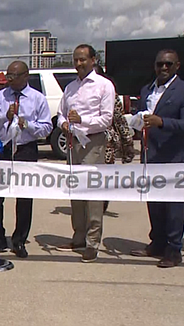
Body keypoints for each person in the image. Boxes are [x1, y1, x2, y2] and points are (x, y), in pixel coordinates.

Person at [130, 49, 184, 268]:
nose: (164, 68)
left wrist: (162, 122)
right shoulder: (147, 89)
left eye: (168, 64)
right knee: (155, 203)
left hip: (175, 157)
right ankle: (157, 243)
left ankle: (174, 249)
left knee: (175, 206)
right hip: (152, 156)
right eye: (160, 64)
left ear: (177, 66)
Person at [0, 61, 52, 258]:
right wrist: (4, 116)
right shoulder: (1, 96)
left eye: (14, 76)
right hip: (3, 148)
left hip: (25, 149)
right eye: (8, 76)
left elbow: (47, 127)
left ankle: (19, 240)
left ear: (25, 76)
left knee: (24, 197)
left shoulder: (37, 98)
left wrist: (28, 125)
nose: (10, 80)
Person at [56, 44, 115, 263]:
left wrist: (83, 121)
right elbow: (60, 114)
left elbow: (107, 119)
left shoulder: (104, 86)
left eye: (82, 59)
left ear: (93, 60)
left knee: (92, 193)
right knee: (75, 191)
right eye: (75, 60)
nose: (78, 64)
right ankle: (78, 236)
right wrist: (64, 124)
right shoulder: (70, 87)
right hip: (73, 142)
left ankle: (92, 242)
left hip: (93, 142)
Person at [92, 64, 135, 213]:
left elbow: (120, 120)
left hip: (106, 142)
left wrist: (127, 143)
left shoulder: (110, 94)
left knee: (104, 177)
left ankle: (100, 207)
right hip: (85, 142)